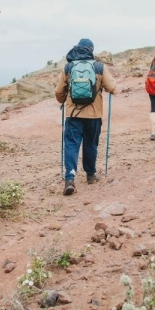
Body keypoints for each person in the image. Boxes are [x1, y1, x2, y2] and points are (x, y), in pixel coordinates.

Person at [55, 38, 117, 196]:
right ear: (91, 50)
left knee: (71, 144)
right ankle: (90, 174)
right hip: (94, 115)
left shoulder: (68, 67)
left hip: (73, 114)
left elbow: (58, 92)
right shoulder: (98, 66)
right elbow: (112, 88)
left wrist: (64, 101)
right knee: (91, 144)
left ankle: (69, 178)